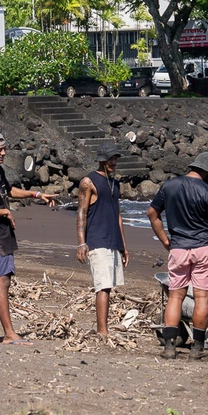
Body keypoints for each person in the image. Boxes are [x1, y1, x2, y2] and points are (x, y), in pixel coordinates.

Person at [147, 151, 208, 360]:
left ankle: (169, 347)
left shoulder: (169, 186)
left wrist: (165, 241)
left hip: (178, 248)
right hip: (203, 248)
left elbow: (152, 213)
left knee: (175, 296)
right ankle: (197, 348)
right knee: (202, 297)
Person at [0, 129, 57, 344]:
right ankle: (10, 334)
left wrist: (36, 194)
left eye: (4, 150)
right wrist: (5, 212)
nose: (3, 154)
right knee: (2, 282)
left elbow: (9, 191)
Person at [77, 141, 128, 337]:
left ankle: (103, 329)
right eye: (110, 158)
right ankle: (102, 331)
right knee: (103, 286)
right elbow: (82, 213)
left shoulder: (115, 184)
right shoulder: (88, 182)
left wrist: (123, 246)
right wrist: (81, 242)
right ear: (101, 160)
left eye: (115, 158)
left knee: (110, 286)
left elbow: (118, 215)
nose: (113, 162)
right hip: (97, 240)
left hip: (113, 240)